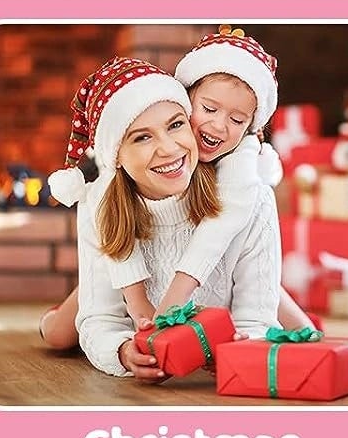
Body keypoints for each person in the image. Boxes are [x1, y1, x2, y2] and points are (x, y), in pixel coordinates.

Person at [40, 28, 309, 349]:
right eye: (208, 109)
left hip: (217, 266)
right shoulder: (126, 164)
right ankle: (64, 309)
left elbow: (225, 230)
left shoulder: (241, 168)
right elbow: (106, 205)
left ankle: (301, 322)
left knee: (295, 322)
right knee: (60, 336)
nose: (219, 126)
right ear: (184, 97)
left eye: (237, 120)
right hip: (136, 259)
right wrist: (138, 305)